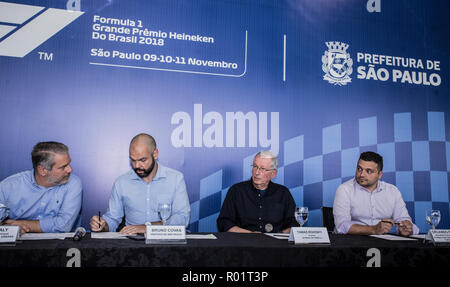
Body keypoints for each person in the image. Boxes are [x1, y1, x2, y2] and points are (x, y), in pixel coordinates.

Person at [90, 133, 190, 235]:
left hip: (167, 242)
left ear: (155, 154)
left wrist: (148, 228)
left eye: (143, 160)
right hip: (132, 244)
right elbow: (112, 219)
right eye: (133, 160)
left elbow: (182, 219)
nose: (137, 165)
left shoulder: (176, 178)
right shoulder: (121, 182)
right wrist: (103, 225)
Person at [0, 141, 82, 235]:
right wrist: (8, 228)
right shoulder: (8, 186)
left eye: (68, 164)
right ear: (43, 170)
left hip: (60, 246)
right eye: (63, 167)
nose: (70, 169)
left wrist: (19, 224)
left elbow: (63, 226)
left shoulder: (73, 183)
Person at [333, 151, 419, 236]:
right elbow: (342, 226)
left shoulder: (392, 191)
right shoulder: (344, 190)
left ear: (379, 174)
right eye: (359, 169)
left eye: (369, 171)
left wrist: (406, 227)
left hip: (385, 244)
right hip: (353, 243)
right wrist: (374, 229)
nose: (362, 174)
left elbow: (403, 219)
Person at [217, 151, 298, 233]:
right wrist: (250, 234)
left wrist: (280, 235)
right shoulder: (236, 191)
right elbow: (224, 222)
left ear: (273, 173)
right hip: (243, 242)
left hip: (275, 243)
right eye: (255, 167)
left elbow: (294, 222)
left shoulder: (283, 193)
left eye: (262, 169)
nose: (257, 172)